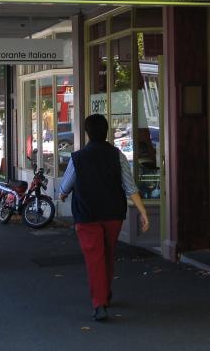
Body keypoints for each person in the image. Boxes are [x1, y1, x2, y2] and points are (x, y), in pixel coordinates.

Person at [58, 114, 150, 322]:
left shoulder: (77, 158)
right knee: (107, 254)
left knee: (95, 258)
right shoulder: (117, 156)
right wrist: (143, 212)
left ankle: (100, 303)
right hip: (113, 215)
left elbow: (65, 186)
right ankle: (105, 292)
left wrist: (62, 195)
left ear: (87, 133)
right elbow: (130, 186)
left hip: (86, 215)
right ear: (107, 131)